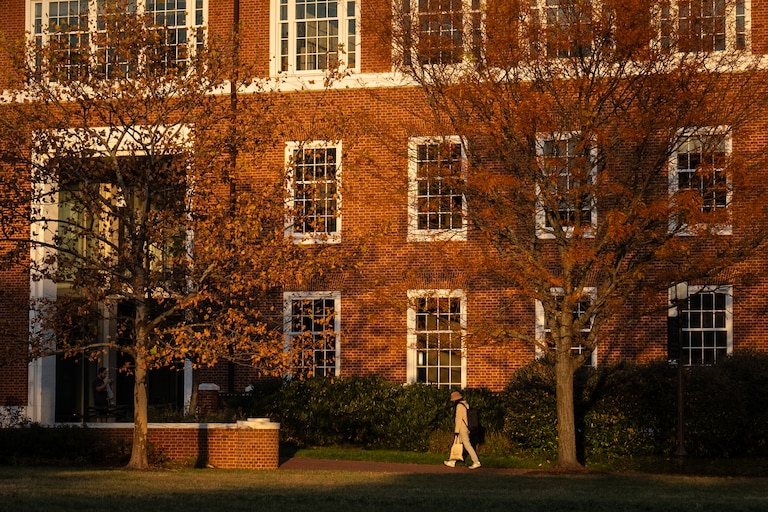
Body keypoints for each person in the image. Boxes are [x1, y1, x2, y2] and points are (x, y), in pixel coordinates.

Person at [444, 391, 481, 469]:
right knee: (457, 443)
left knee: (466, 444)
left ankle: (476, 461)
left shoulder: (459, 406)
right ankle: (452, 460)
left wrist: (456, 431)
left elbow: (459, 419)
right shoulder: (465, 404)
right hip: (467, 427)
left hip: (462, 428)